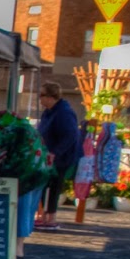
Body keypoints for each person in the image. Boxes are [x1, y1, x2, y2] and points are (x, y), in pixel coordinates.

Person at [0, 108, 51, 257]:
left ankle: (17, 248)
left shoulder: (5, 130)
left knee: (21, 209)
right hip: (41, 170)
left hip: (24, 173)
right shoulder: (21, 124)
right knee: (29, 210)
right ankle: (20, 245)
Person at [35, 82, 81, 228]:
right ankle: (42, 214)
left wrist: (56, 152)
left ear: (51, 97)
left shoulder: (63, 112)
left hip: (59, 157)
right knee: (43, 184)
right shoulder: (48, 112)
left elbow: (71, 135)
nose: (39, 98)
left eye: (42, 95)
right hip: (47, 154)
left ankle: (50, 217)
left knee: (54, 186)